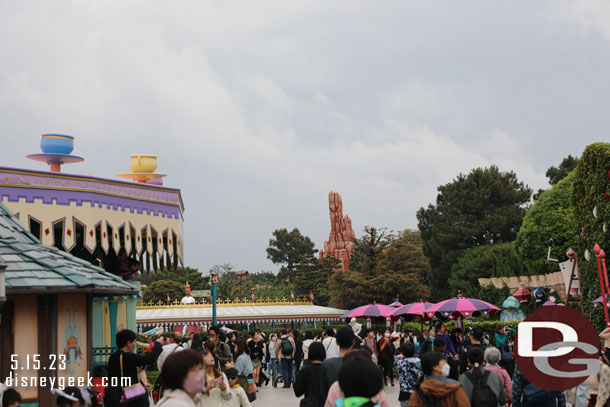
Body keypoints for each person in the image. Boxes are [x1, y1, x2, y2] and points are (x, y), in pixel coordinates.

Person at [105, 330, 164, 407]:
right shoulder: (127, 357)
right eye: (134, 342)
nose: (135, 345)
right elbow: (150, 359)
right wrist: (158, 344)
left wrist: (143, 385)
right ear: (128, 343)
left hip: (116, 397)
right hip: (131, 399)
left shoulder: (113, 357)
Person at [321, 326, 357, 402]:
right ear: (354, 342)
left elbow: (323, 393)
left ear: (337, 342)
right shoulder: (362, 363)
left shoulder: (326, 365)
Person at [294, 342, 327, 407]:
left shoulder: (305, 370)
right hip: (325, 403)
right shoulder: (327, 369)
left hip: (310, 403)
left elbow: (298, 392)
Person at [394, 342, 422, 407]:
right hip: (418, 393)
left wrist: (399, 356)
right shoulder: (419, 361)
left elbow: (394, 364)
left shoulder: (401, 363)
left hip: (405, 393)